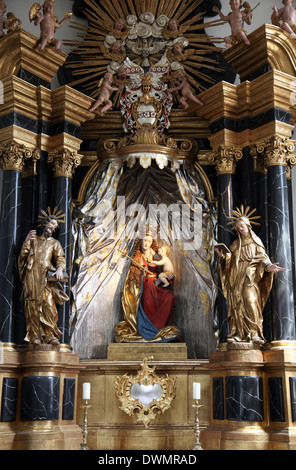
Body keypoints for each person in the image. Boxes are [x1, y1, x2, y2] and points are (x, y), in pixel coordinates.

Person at [215, 211, 284, 345]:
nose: (240, 228)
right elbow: (230, 261)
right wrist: (223, 257)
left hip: (250, 277)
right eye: (238, 227)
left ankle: (254, 333)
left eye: (242, 225)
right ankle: (238, 333)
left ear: (248, 226)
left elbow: (263, 258)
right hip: (236, 277)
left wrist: (268, 266)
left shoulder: (255, 242)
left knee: (251, 301)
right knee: (237, 304)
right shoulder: (235, 244)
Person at [114, 233, 181, 343]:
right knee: (148, 299)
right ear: (141, 242)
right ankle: (149, 328)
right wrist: (142, 274)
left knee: (169, 298)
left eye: (149, 241)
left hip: (157, 284)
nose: (146, 243)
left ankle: (157, 327)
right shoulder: (138, 257)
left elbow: (165, 264)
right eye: (145, 240)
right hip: (145, 285)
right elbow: (133, 277)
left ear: (152, 243)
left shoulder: (154, 255)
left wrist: (168, 274)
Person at [18, 208, 69, 345]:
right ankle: (34, 335)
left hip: (46, 278)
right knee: (32, 304)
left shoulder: (54, 243)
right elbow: (23, 256)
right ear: (45, 224)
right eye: (51, 224)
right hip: (32, 275)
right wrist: (27, 240)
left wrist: (59, 269)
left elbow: (60, 258)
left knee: (48, 305)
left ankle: (50, 334)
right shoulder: (34, 240)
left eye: (54, 226)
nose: (52, 227)